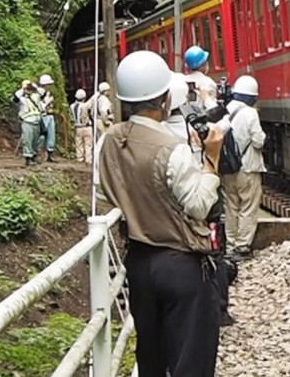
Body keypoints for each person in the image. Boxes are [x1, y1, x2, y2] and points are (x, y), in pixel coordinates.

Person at [98, 50, 223, 376]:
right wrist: (211, 160)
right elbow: (197, 205)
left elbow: (103, 191)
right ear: (165, 99)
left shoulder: (110, 141)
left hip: (138, 263)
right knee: (190, 360)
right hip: (179, 263)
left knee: (151, 357)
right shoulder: (172, 148)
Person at [165, 74, 237, 328]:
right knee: (215, 252)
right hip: (203, 199)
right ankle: (219, 310)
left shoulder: (159, 133)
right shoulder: (197, 127)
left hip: (170, 208)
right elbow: (222, 129)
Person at [221, 75, 266, 259]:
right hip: (247, 168)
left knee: (231, 207)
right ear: (250, 97)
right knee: (248, 207)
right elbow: (258, 141)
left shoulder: (223, 110)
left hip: (226, 169)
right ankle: (242, 246)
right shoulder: (250, 113)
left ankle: (230, 245)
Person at [13, 80, 44, 166]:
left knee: (36, 140)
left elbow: (43, 93)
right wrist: (23, 89)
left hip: (37, 121)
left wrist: (35, 87)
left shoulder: (35, 96)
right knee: (28, 140)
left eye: (30, 89)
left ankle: (34, 156)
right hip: (27, 122)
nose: (29, 90)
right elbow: (15, 97)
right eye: (28, 88)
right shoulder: (21, 98)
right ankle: (28, 158)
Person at [70, 88, 93, 164]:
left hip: (77, 127)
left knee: (79, 143)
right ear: (84, 97)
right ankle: (88, 159)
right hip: (86, 127)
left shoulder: (72, 106)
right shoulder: (85, 106)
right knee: (88, 144)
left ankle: (80, 158)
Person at [37, 74, 57, 162]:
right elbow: (39, 105)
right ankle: (38, 153)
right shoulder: (39, 93)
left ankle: (50, 153)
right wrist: (48, 101)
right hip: (43, 115)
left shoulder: (48, 93)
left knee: (51, 135)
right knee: (42, 135)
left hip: (50, 115)